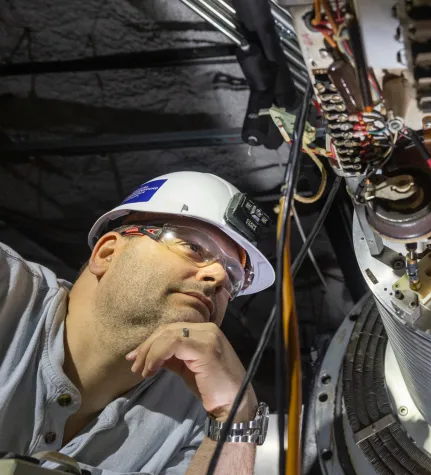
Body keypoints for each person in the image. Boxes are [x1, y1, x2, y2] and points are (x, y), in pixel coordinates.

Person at [0, 171, 275, 475]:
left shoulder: (199, 423)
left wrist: (235, 416)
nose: (219, 277)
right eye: (194, 247)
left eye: (233, 277)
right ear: (107, 253)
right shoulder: (7, 291)